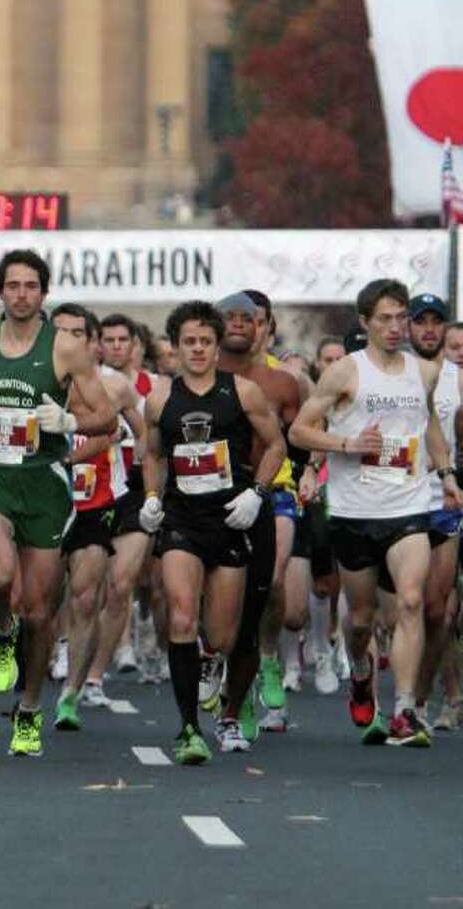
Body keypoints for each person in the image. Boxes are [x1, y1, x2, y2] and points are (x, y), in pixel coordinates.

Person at [0, 249, 117, 759]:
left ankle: (30, 708)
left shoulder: (66, 350)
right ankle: (3, 631)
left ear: (43, 292)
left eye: (30, 286)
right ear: (0, 292)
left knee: (41, 609)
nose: (20, 294)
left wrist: (67, 423)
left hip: (44, 483)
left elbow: (106, 418)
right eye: (12, 285)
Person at [288, 278, 462, 747]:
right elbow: (301, 432)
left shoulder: (421, 373)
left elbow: (429, 429)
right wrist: (347, 443)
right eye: (384, 318)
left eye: (400, 317)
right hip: (353, 509)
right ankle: (361, 670)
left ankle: (405, 709)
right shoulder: (346, 372)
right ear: (365, 323)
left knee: (409, 602)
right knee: (363, 619)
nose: (395, 327)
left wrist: (446, 476)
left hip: (409, 505)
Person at [139, 300, 284, 764]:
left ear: (217, 346)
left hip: (231, 517)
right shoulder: (161, 397)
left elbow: (277, 444)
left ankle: (209, 659)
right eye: (189, 342)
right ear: (175, 347)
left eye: (206, 341)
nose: (198, 350)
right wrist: (151, 498)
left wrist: (257, 493)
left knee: (219, 635)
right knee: (182, 617)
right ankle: (188, 729)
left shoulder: (241, 392)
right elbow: (152, 452)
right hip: (183, 520)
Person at [214, 291, 303, 740]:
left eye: (255, 321)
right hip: (212, 495)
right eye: (233, 319)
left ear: (266, 327)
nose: (246, 327)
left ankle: (265, 661)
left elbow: (301, 437)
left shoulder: (284, 382)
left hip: (275, 493)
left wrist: (306, 475)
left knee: (268, 584)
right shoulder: (203, 373)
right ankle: (234, 684)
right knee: (222, 602)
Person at [53, 309, 144, 728]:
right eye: (60, 333)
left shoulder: (113, 385)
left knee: (91, 594)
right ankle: (44, 647)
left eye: (77, 333)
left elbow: (143, 435)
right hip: (43, 498)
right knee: (37, 598)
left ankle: (76, 688)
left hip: (100, 499)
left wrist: (151, 487)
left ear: (93, 342)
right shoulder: (32, 383)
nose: (69, 341)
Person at [86, 314, 154, 687]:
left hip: (130, 491)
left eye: (120, 339)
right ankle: (66, 648)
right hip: (82, 490)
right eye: (106, 339)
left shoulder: (142, 386)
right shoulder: (57, 381)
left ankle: (97, 674)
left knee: (122, 582)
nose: (113, 346)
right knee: (81, 588)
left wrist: (150, 481)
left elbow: (149, 435)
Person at [404, 294, 462, 726]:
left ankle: (418, 701)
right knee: (391, 609)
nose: (427, 329)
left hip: (442, 500)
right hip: (392, 502)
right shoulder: (390, 375)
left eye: (434, 322)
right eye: (418, 321)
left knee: (436, 609)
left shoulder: (458, 380)